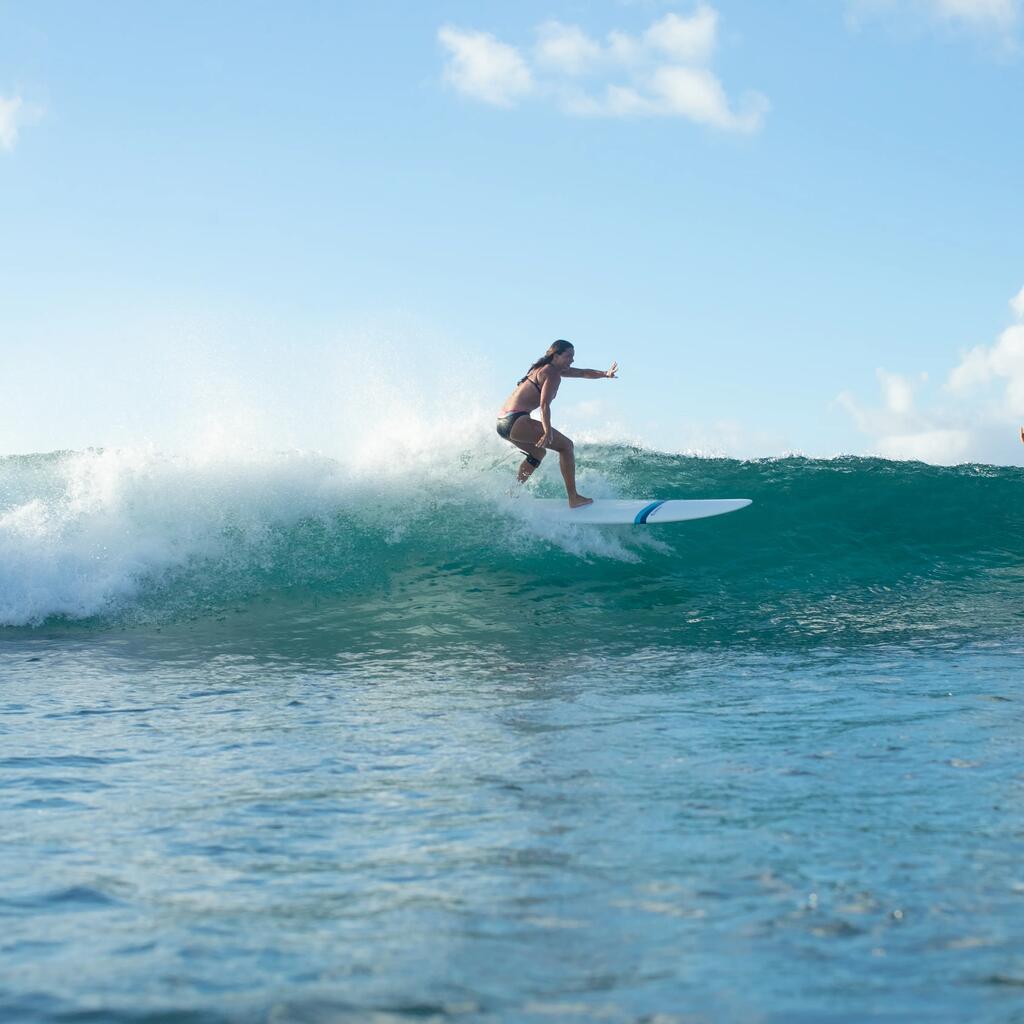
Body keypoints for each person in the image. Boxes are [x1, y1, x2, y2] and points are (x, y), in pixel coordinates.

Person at [496, 339, 618, 508]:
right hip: (517, 421)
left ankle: (513, 492)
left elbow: (582, 373)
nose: (572, 360)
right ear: (556, 355)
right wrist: (547, 432)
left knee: (538, 453)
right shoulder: (551, 374)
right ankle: (573, 498)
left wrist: (605, 373)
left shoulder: (541, 369)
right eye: (568, 356)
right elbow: (544, 405)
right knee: (566, 446)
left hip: (503, 423)